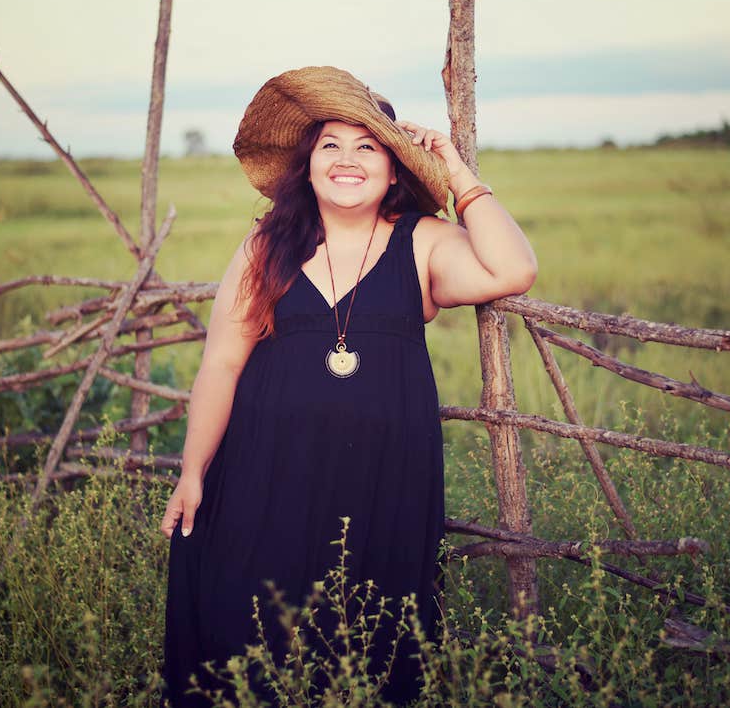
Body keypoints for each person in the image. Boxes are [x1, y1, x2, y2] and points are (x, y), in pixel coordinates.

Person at [160, 66, 537, 707]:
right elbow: (221, 364)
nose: (347, 159)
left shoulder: (424, 244)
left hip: (383, 484)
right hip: (263, 476)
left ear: (395, 170)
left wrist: (455, 169)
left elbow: (514, 268)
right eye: (330, 144)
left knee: (368, 637)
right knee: (250, 629)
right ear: (307, 166)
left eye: (368, 146)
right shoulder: (268, 245)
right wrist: (193, 468)